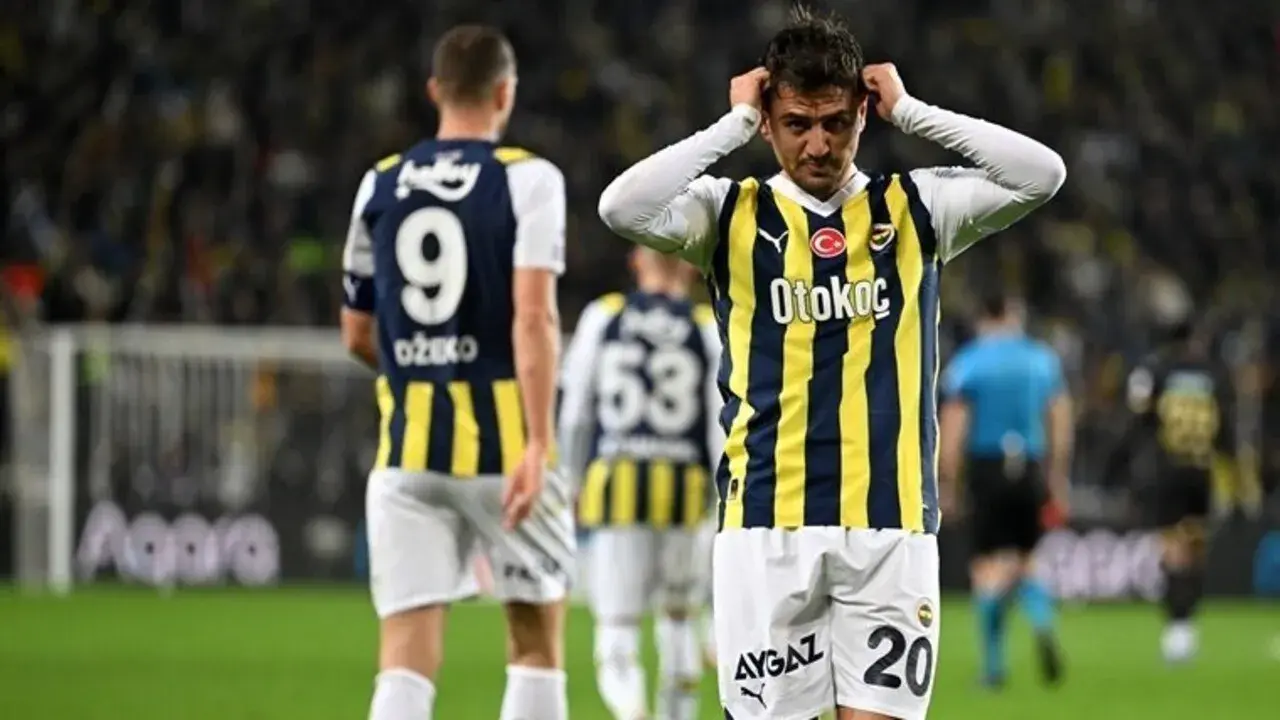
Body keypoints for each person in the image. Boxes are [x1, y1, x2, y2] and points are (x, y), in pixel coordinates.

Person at [596, 7, 1066, 719]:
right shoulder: (727, 215)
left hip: (890, 529)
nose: (818, 144)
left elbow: (1043, 175)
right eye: (796, 123)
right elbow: (620, 208)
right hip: (765, 527)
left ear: (862, 116)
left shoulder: (917, 208)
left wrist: (913, 112)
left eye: (836, 123)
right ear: (768, 122)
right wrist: (730, 126)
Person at [339, 25, 572, 720]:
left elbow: (356, 332)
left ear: (435, 91)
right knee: (534, 644)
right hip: (507, 453)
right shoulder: (529, 178)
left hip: (407, 454)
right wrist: (538, 441)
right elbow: (534, 318)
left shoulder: (379, 182)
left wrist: (424, 376)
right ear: (505, 93)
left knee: (404, 659)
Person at [559, 247, 722, 720]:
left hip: (617, 488)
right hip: (685, 491)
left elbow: (575, 412)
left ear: (634, 260)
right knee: (680, 620)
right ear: (690, 266)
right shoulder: (706, 327)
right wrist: (723, 498)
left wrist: (570, 479)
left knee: (617, 625)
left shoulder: (604, 316)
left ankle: (633, 713)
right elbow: (720, 422)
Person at [937, 292, 1072, 689]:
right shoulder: (1042, 360)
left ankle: (994, 667)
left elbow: (953, 426)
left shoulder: (969, 362)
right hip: (1029, 465)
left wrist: (948, 482)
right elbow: (1060, 420)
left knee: (987, 569)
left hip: (987, 466)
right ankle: (1042, 621)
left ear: (983, 317)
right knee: (1028, 561)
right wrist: (1057, 476)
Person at [1109, 321, 1239, 664]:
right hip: (1201, 470)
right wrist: (1235, 474)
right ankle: (1186, 625)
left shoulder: (1156, 370)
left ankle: (1177, 628)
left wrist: (1116, 467)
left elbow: (1137, 422)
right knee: (1195, 550)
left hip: (1167, 472)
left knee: (1172, 551)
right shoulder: (1214, 373)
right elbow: (1227, 430)